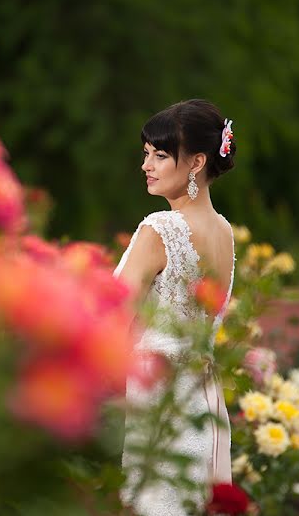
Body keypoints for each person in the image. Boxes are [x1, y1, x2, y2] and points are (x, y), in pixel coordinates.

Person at [113, 99, 237, 515]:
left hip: (159, 403)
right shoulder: (224, 232)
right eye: (146, 153)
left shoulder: (160, 229)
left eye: (161, 155)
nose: (147, 165)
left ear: (197, 161)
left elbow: (111, 319)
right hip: (201, 403)